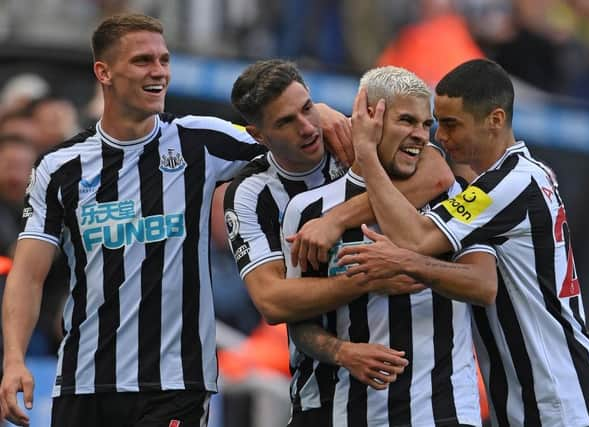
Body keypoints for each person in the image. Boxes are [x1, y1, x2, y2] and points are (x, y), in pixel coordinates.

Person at [0, 13, 349, 427]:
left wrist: (320, 111)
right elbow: (28, 275)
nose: (159, 72)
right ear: (104, 72)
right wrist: (15, 359)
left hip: (176, 385)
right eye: (143, 61)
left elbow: (280, 132)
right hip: (84, 382)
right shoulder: (60, 168)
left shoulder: (199, 140)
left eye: (164, 60)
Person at [331, 59, 589, 426]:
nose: (439, 136)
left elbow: (414, 239)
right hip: (536, 403)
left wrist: (367, 154)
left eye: (451, 125)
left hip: (561, 402)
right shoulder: (515, 178)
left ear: (495, 120)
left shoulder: (508, 185)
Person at [280, 65, 497, 427]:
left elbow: (484, 285)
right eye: (407, 121)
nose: (420, 136)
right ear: (369, 119)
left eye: (426, 125)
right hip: (351, 413)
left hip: (445, 413)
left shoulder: (466, 197)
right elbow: (298, 323)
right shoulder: (309, 212)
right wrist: (343, 351)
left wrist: (406, 264)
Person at [224, 59, 456, 391]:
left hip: (409, 381)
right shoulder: (251, 193)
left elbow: (436, 174)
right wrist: (369, 279)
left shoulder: (348, 136)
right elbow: (273, 301)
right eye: (287, 121)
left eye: (307, 108)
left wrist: (336, 219)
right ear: (259, 136)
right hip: (318, 381)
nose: (306, 127)